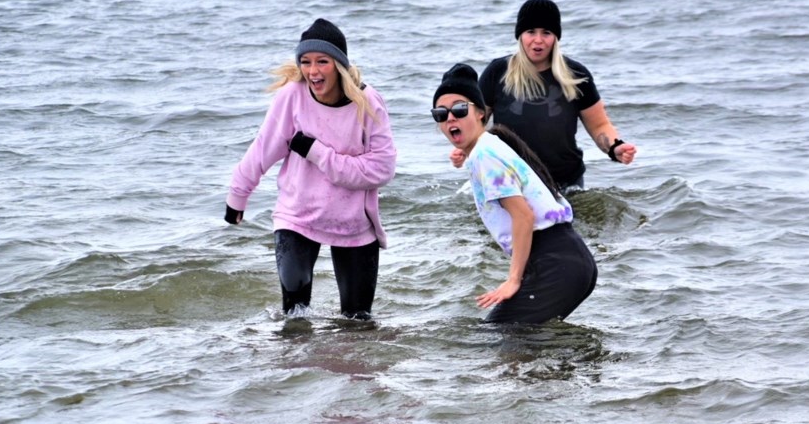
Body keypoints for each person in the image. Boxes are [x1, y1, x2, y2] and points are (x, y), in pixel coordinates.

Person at [224, 18, 397, 320]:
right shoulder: (292, 96)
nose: (313, 71)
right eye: (305, 62)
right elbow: (262, 148)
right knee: (295, 317)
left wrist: (318, 154)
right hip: (297, 216)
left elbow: (382, 169)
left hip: (353, 224)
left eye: (322, 62)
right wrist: (237, 195)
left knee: (358, 323)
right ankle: (297, 367)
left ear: (339, 65)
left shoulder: (368, 103)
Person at [432, 63, 598, 324]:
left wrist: (513, 280)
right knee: (525, 345)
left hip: (557, 264)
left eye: (460, 109)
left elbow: (523, 216)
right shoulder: (490, 145)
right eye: (441, 114)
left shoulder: (485, 154)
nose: (450, 118)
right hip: (569, 260)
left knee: (499, 336)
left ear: (480, 113)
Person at [479, 0, 636, 191]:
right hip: (511, 179)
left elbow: (599, 125)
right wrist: (464, 148)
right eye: (531, 32)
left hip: (565, 182)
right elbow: (476, 120)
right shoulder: (497, 72)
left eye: (546, 32)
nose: (538, 40)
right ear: (520, 36)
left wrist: (615, 148)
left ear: (556, 37)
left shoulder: (576, 75)